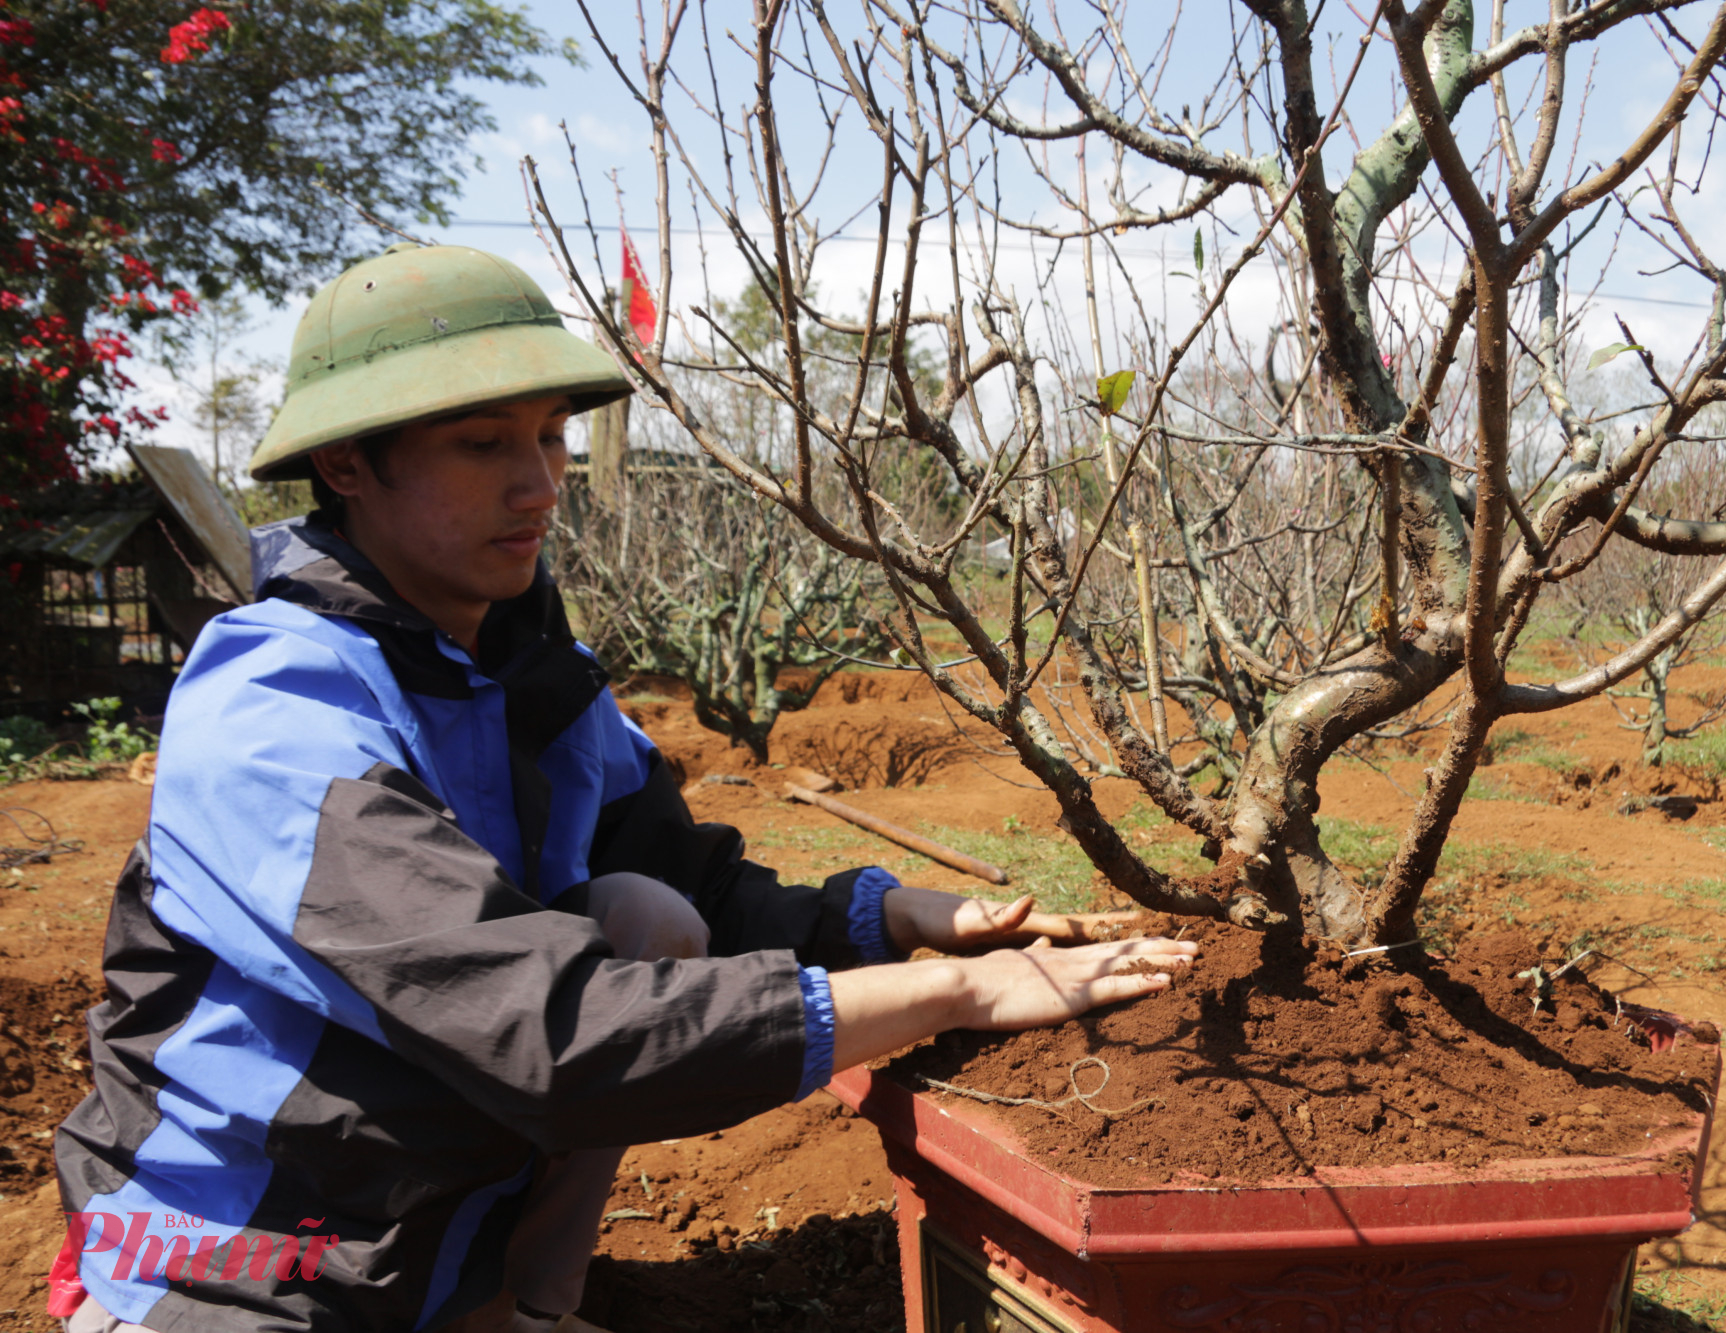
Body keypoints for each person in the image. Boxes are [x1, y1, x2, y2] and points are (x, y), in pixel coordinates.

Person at [48, 244, 1194, 1333]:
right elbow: (544, 1032)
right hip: (245, 1261)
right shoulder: (278, 714)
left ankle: (512, 1307)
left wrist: (894, 918)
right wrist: (957, 993)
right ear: (347, 465)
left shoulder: (519, 677)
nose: (539, 481)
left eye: (549, 437)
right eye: (482, 444)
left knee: (644, 908)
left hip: (417, 1236)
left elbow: (688, 884)